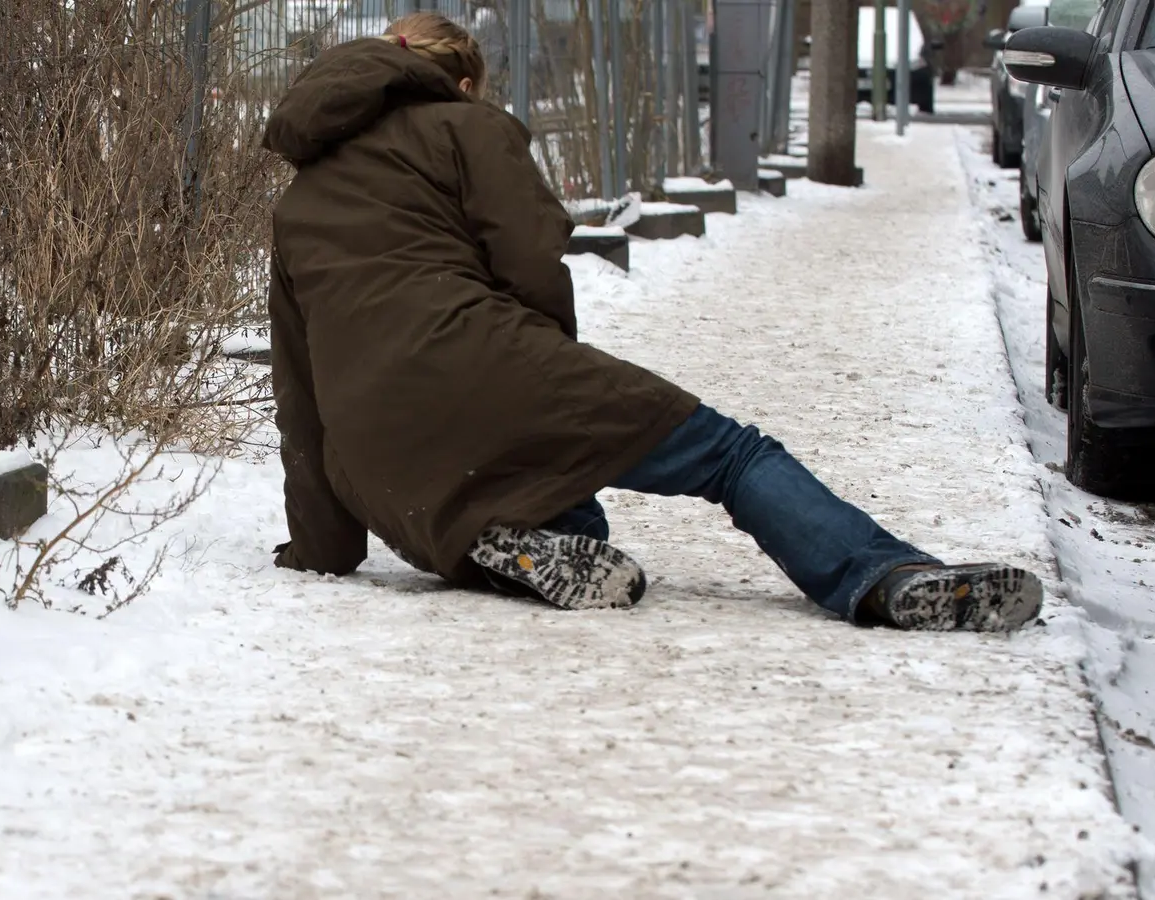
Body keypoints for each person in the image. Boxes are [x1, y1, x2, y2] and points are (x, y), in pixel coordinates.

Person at [261, 12, 1043, 631]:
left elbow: (297, 393)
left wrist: (323, 550)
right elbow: (532, 256)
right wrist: (544, 376)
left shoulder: (298, 203)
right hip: (485, 365)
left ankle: (503, 548)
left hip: (378, 461)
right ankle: (885, 577)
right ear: (459, 81)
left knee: (566, 515)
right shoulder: (469, 127)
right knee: (732, 456)